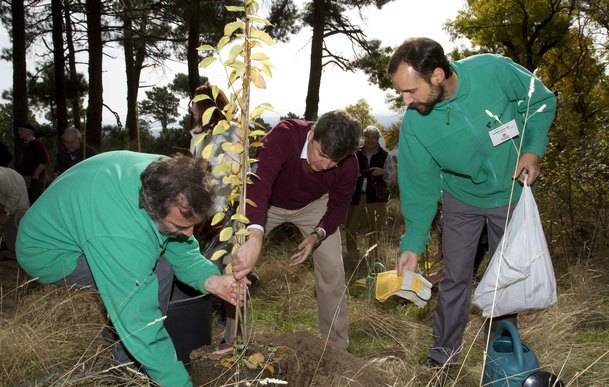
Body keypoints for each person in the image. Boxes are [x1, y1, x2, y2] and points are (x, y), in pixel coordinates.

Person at [387, 38, 557, 367]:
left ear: (437, 75)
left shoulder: (492, 70)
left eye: (410, 90)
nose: (406, 100)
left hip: (510, 194)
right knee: (454, 278)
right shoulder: (416, 125)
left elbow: (540, 101)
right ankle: (443, 354)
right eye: (401, 93)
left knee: (504, 277)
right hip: (461, 201)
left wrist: (533, 148)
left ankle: (499, 354)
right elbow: (419, 187)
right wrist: (412, 244)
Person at [16, 151, 245, 387]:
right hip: (49, 251)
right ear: (153, 210)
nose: (189, 234)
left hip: (91, 218)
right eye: (180, 226)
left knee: (159, 253)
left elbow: (179, 243)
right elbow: (140, 321)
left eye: (193, 226)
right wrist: (179, 383)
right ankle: (125, 368)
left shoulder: (170, 177)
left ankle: (121, 334)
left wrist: (211, 279)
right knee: (156, 275)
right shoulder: (123, 235)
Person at [232, 110, 361, 349]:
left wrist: (317, 235)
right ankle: (233, 339)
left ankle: (336, 347)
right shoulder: (285, 136)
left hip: (315, 204)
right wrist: (255, 236)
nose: (325, 165)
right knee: (236, 261)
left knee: (333, 269)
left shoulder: (349, 164)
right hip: (268, 202)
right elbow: (259, 185)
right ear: (311, 134)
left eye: (334, 161)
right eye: (321, 154)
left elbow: (338, 208)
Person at [344, 125, 395, 270]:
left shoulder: (385, 155)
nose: (370, 140)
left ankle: (373, 259)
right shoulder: (355, 154)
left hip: (377, 199)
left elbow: (392, 178)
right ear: (363, 137)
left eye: (374, 137)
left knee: (376, 230)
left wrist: (383, 172)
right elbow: (346, 174)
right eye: (368, 137)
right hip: (355, 197)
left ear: (378, 139)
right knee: (350, 229)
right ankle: (353, 257)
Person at [14, 123, 49, 203]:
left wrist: (36, 174)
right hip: (26, 177)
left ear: (29, 132)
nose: (19, 132)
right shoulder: (24, 145)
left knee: (35, 200)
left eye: (21, 130)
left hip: (35, 178)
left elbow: (44, 160)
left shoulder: (37, 144)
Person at [0, 166, 29, 260]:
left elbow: (15, 195)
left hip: (17, 202)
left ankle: (15, 253)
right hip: (6, 199)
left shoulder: (1, 177)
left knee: (12, 226)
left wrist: (6, 212)